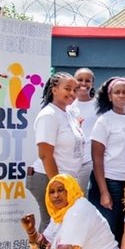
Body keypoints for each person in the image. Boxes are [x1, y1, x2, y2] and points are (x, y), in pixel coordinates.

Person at [30, 73, 87, 230]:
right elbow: (45, 154)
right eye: (67, 89)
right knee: (51, 226)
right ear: (54, 90)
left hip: (66, 180)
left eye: (75, 90)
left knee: (63, 226)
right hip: (48, 178)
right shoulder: (49, 115)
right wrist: (56, 185)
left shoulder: (68, 113)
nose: (72, 93)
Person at [88, 77, 125, 245]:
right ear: (110, 96)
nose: (121, 95)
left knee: (123, 230)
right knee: (107, 231)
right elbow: (97, 159)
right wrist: (104, 192)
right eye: (117, 92)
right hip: (110, 182)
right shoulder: (104, 121)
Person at [71, 67, 98, 190]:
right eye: (79, 80)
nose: (83, 83)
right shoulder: (67, 105)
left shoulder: (99, 107)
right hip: (69, 160)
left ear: (92, 84)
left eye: (87, 81)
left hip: (89, 161)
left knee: (82, 195)